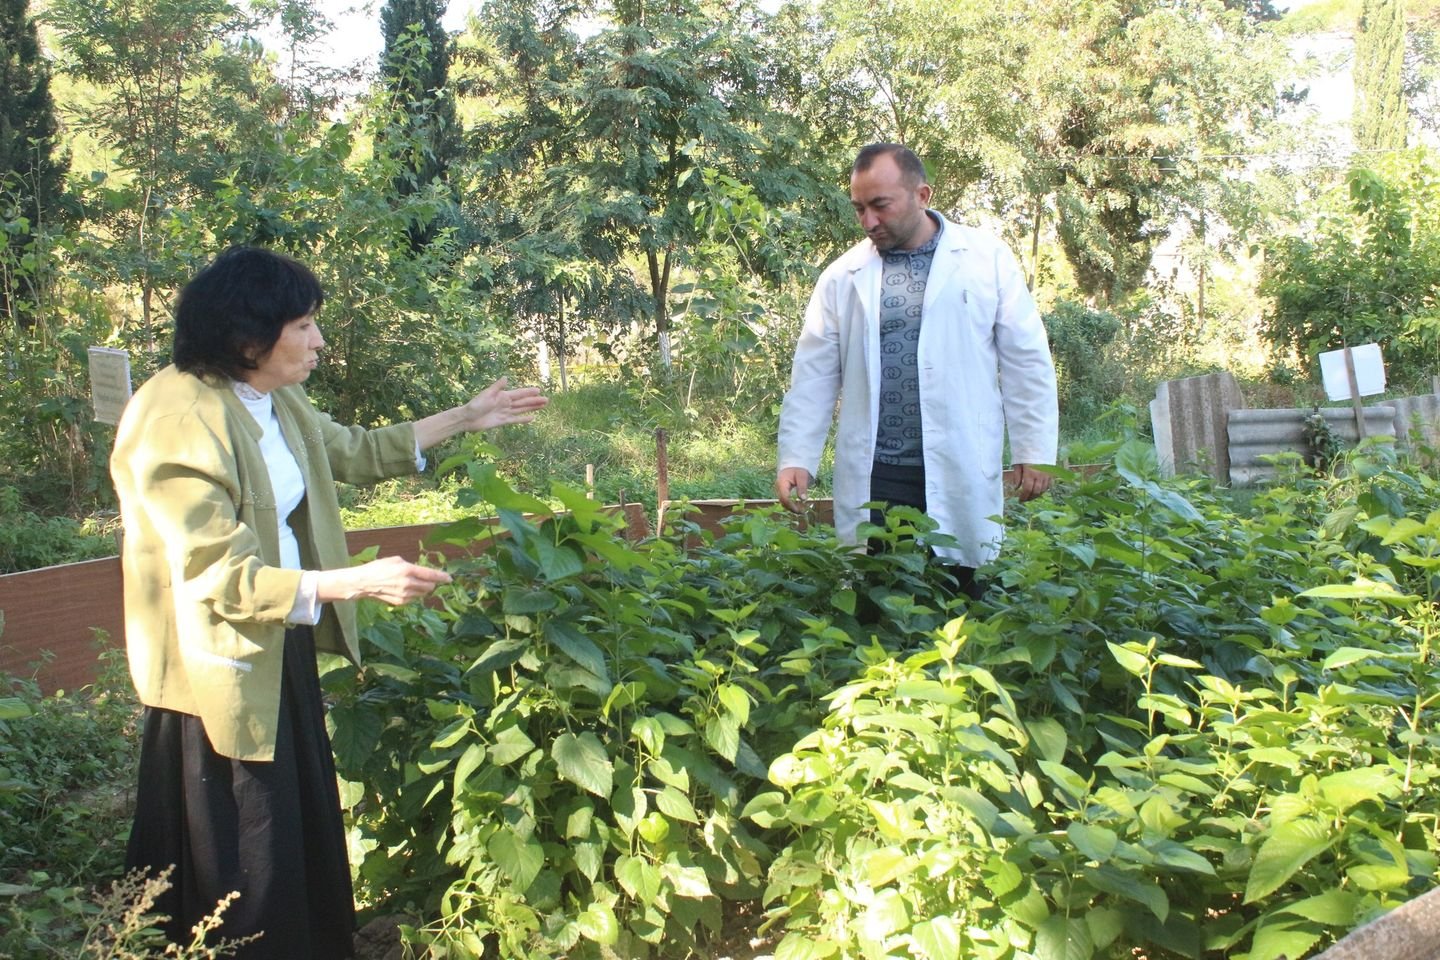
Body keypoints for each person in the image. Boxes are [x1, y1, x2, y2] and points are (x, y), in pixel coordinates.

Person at [109, 246, 548, 958]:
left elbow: (346, 450)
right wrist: (356, 581)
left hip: (276, 629)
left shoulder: (268, 393)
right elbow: (216, 576)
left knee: (289, 811)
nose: (319, 341)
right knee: (243, 829)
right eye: (305, 326)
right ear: (250, 335)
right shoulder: (177, 419)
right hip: (214, 655)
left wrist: (467, 417)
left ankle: (304, 939)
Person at [775, 143, 1058, 596]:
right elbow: (814, 376)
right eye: (859, 208)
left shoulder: (986, 259)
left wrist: (1034, 447)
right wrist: (797, 457)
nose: (869, 221)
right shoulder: (841, 276)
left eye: (880, 205)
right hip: (879, 470)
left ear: (922, 194)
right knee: (878, 598)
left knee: (964, 595)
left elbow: (1026, 358)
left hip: (959, 458)